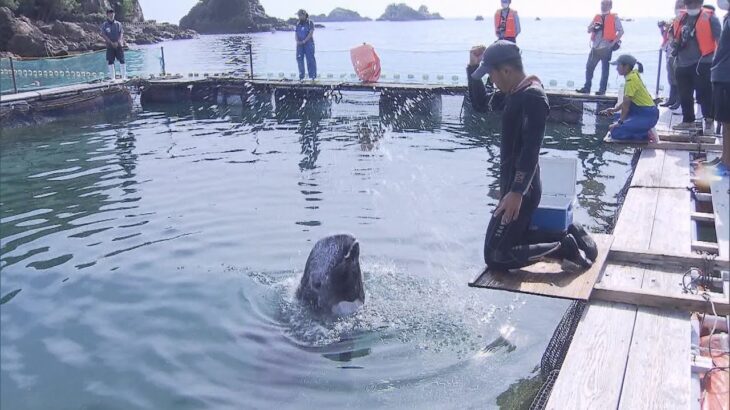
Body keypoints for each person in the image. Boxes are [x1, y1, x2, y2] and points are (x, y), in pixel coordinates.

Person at [469, 41, 596, 273]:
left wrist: (516, 192)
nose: (492, 81)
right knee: (514, 238)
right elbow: (480, 105)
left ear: (506, 71)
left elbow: (531, 148)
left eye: (491, 75)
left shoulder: (532, 97)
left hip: (522, 189)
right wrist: (473, 68)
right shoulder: (513, 92)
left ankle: (563, 246)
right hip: (512, 186)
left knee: (496, 255)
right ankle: (568, 234)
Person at [671, 0, 722, 135]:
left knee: (705, 94)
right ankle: (688, 120)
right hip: (682, 63)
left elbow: (720, 40)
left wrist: (719, 61)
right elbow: (674, 36)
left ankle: (709, 122)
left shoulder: (710, 18)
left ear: (700, 4)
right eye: (688, 5)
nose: (690, 7)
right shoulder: (681, 18)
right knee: (684, 94)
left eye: (693, 4)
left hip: (703, 62)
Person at [600, 55, 660, 142]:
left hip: (647, 115)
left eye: (618, 65)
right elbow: (626, 101)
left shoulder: (631, 80)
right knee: (615, 117)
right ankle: (641, 128)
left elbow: (626, 106)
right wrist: (614, 109)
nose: (616, 69)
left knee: (615, 132)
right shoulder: (633, 74)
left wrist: (620, 123)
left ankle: (646, 133)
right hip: (642, 112)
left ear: (626, 66)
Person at [576, 0, 624, 96]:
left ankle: (602, 90)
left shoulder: (614, 17)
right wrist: (594, 27)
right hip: (595, 47)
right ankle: (587, 88)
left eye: (606, 4)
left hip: (606, 48)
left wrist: (613, 43)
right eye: (602, 4)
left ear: (610, 6)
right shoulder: (596, 17)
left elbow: (621, 31)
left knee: (605, 70)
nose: (603, 6)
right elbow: (588, 30)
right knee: (589, 67)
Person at [707, 0, 730, 175]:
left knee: (728, 122)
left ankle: (727, 163)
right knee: (724, 120)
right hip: (721, 75)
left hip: (726, 76)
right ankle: (724, 157)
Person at [100, 8, 126, 80]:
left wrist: (118, 41)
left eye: (112, 13)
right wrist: (111, 42)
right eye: (109, 13)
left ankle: (123, 77)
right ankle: (113, 79)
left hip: (119, 45)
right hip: (109, 45)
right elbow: (103, 35)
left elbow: (121, 33)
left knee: (122, 60)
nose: (111, 15)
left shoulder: (118, 24)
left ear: (114, 14)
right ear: (107, 15)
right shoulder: (104, 25)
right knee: (110, 61)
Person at [295, 9, 317, 81]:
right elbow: (296, 33)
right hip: (299, 45)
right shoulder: (298, 23)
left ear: (304, 15)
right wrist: (297, 41)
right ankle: (301, 76)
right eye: (298, 15)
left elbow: (311, 33)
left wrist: (304, 41)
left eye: (300, 15)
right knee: (299, 59)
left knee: (310, 59)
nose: (299, 17)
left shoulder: (310, 23)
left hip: (308, 44)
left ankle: (312, 76)